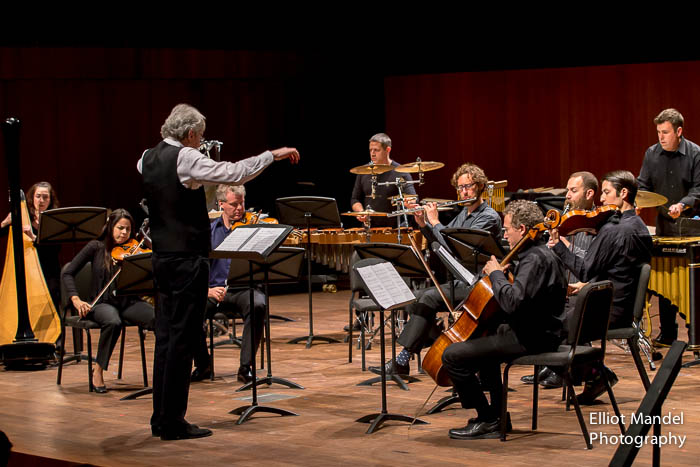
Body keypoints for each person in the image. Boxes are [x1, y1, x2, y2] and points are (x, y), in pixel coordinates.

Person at [139, 103, 299, 441]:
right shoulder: (185, 158)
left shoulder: (146, 158)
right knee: (182, 341)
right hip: (186, 261)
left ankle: (161, 417)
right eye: (200, 137)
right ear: (192, 134)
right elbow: (235, 173)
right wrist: (273, 155)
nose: (201, 143)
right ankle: (173, 423)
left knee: (166, 340)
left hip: (162, 259)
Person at [442, 200, 568, 440]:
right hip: (540, 330)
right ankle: (497, 416)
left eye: (507, 228)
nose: (504, 234)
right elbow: (525, 299)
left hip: (533, 337)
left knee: (452, 355)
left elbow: (513, 302)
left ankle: (488, 418)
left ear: (522, 229)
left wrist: (497, 275)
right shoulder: (540, 254)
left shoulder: (533, 260)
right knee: (487, 342)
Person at [369, 163, 502, 376]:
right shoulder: (463, 215)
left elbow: (455, 247)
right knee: (416, 299)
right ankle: (436, 339)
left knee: (428, 298)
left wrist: (435, 222)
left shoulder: (489, 217)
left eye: (467, 186)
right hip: (463, 280)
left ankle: (404, 359)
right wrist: (424, 225)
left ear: (479, 186)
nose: (463, 192)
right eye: (460, 188)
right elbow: (442, 245)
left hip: (480, 285)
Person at [550, 170, 652, 404]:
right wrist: (589, 286)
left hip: (607, 310)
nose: (602, 199)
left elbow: (584, 269)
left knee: (547, 326)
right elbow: (621, 270)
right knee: (562, 318)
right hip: (621, 305)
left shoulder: (613, 230)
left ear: (623, 193)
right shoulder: (639, 225)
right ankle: (592, 372)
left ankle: (596, 373)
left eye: (606, 192)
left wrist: (558, 245)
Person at [62, 209, 155, 393]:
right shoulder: (95, 247)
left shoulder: (134, 248)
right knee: (113, 322)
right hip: (101, 304)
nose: (124, 233)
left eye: (128, 230)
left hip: (128, 302)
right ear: (110, 226)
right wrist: (76, 299)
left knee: (157, 318)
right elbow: (67, 272)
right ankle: (98, 369)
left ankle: (164, 372)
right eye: (120, 228)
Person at [523, 171, 598, 389]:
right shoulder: (566, 219)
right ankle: (552, 362)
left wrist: (563, 247)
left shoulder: (598, 225)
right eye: (567, 190)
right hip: (565, 289)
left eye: (573, 191)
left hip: (585, 291)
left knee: (553, 320)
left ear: (589, 193)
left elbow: (590, 264)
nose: (567, 196)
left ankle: (569, 368)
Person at [191, 184, 265, 384]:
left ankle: (245, 367)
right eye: (234, 204)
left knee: (258, 304)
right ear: (221, 204)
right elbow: (197, 266)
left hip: (243, 289)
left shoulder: (252, 229)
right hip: (215, 290)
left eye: (242, 203)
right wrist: (206, 290)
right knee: (190, 310)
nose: (239, 208)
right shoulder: (209, 231)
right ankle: (203, 364)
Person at [638, 108, 700, 346]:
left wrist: (683, 205)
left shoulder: (695, 154)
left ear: (679, 131)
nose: (661, 137)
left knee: (693, 284)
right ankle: (668, 332)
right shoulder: (651, 154)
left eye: (665, 132)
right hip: (664, 227)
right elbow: (643, 185)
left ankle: (695, 329)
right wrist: (637, 203)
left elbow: (699, 189)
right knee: (666, 278)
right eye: (658, 132)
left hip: (690, 229)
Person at [1, 181, 62, 311]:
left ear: (50, 200)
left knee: (52, 297)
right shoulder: (24, 216)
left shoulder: (55, 219)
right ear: (32, 197)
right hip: (28, 270)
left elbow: (55, 249)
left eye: (45, 197)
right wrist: (5, 222)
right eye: (38, 196)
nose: (41, 200)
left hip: (49, 270)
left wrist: (33, 237)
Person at [350, 133, 416, 227]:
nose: (372, 153)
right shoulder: (363, 171)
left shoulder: (401, 172)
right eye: (370, 150)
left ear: (388, 150)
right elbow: (355, 199)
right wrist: (361, 212)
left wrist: (409, 202)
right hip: (369, 229)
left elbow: (413, 198)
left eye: (376, 150)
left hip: (394, 229)